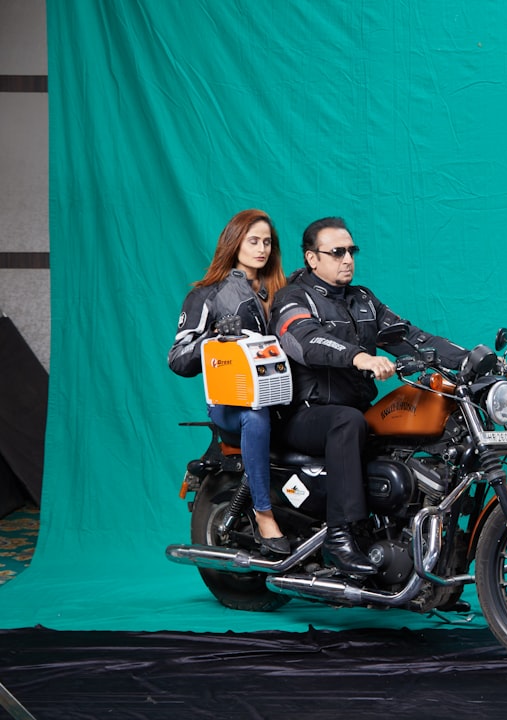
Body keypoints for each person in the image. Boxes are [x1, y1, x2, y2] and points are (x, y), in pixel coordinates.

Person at [270, 216, 466, 578]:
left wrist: (470, 361)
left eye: (351, 251)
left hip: (357, 412)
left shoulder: (362, 300)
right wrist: (358, 357)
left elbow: (411, 337)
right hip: (306, 414)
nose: (347, 259)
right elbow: (304, 340)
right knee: (347, 421)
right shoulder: (293, 298)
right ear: (312, 258)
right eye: (337, 252)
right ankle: (339, 537)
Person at [168, 209, 289, 556]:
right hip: (232, 403)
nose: (261, 249)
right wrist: (215, 339)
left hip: (282, 398)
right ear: (234, 243)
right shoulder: (208, 295)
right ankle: (264, 514)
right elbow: (177, 358)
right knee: (254, 416)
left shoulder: (283, 292)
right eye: (253, 241)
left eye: (267, 242)